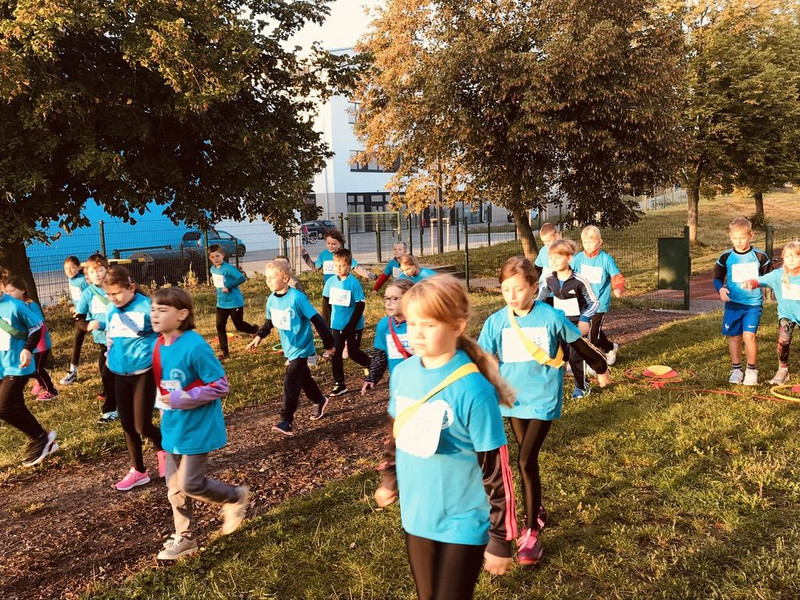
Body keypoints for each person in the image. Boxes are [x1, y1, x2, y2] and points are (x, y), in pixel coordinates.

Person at [374, 275, 516, 599]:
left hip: (463, 521)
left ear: (457, 326)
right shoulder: (403, 374)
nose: (417, 334)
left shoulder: (474, 390)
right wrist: (389, 478)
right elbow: (396, 431)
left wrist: (500, 538)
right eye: (412, 323)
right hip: (417, 516)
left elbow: (497, 470)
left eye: (429, 324)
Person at [478, 256, 610, 565]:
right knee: (528, 462)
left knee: (525, 460)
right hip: (512, 401)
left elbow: (579, 345)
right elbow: (482, 358)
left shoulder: (550, 316)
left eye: (518, 289)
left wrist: (601, 367)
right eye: (506, 289)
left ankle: (530, 533)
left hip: (543, 399)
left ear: (534, 287)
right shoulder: (496, 321)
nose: (512, 295)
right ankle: (536, 508)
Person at [150, 287, 250, 560]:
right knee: (174, 488)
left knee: (191, 484)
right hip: (173, 425)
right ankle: (186, 538)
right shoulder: (158, 344)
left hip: (197, 427)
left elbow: (220, 385)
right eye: (153, 309)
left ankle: (234, 496)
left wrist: (181, 398)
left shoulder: (195, 346)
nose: (155, 314)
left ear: (182, 314)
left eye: (162, 310)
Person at [245, 261, 335, 436]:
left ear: (285, 278)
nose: (268, 281)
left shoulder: (297, 298)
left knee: (291, 379)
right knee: (304, 378)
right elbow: (269, 322)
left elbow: (317, 320)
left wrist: (329, 344)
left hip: (302, 347)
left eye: (272, 277)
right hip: (289, 348)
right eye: (267, 278)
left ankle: (286, 421)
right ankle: (319, 400)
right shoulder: (271, 300)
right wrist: (259, 336)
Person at [104, 266, 164, 491]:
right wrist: (109, 356)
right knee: (127, 424)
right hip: (120, 373)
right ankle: (138, 470)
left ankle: (165, 451)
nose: (113, 298)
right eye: (109, 294)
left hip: (144, 372)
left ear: (131, 287)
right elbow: (110, 337)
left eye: (116, 293)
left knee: (142, 425)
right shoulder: (111, 310)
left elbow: (165, 333)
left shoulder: (147, 307)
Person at [0, 278, 58, 467]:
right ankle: (43, 442)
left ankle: (41, 437)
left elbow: (37, 326)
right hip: (2, 365)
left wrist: (27, 348)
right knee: (15, 405)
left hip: (19, 365)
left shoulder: (15, 306)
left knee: (4, 407)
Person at [537, 240, 601, 398]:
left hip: (576, 326)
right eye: (551, 258)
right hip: (557, 325)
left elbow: (594, 302)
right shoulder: (549, 280)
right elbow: (540, 300)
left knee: (575, 357)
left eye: (558, 257)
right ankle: (551, 386)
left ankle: (582, 386)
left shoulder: (580, 280)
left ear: (570, 258)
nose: (553, 261)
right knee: (556, 355)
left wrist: (584, 318)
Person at [714, 217, 771, 385]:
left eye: (742, 237)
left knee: (749, 336)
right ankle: (736, 369)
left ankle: (752, 370)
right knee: (735, 337)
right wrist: (720, 289)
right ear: (730, 236)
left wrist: (757, 282)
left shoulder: (760, 256)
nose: (739, 241)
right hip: (733, 305)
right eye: (735, 238)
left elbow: (769, 278)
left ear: (751, 235)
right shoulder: (725, 257)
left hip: (753, 305)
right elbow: (717, 278)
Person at [743, 241, 799, 384]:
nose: (791, 260)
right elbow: (760, 280)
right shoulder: (778, 275)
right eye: (788, 256)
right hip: (787, 315)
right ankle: (783, 370)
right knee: (783, 340)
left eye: (796, 256)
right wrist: (751, 283)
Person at [570, 226, 625, 366]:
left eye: (591, 242)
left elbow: (616, 276)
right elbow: (569, 274)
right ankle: (610, 347)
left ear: (600, 242)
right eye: (585, 242)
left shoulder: (605, 259)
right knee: (587, 330)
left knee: (593, 334)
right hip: (583, 303)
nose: (588, 245)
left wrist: (618, 288)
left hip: (599, 303)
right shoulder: (578, 259)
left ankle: (593, 363)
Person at [74, 254, 118, 424]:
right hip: (104, 344)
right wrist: (87, 326)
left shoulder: (115, 287)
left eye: (100, 270)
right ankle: (111, 410)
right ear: (88, 275)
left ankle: (118, 406)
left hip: (122, 341)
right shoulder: (88, 293)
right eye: (93, 272)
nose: (97, 274)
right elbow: (79, 318)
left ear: (107, 270)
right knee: (107, 377)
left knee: (123, 376)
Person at [323, 249, 372, 397]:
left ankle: (369, 364)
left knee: (353, 352)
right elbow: (326, 304)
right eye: (336, 265)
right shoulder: (330, 282)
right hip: (336, 325)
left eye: (342, 265)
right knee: (336, 352)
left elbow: (360, 305)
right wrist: (326, 325)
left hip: (353, 326)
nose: (339, 268)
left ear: (349, 266)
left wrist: (351, 325)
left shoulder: (354, 283)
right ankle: (339, 383)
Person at [300, 228, 376, 325]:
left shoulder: (343, 255)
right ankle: (329, 331)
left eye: (334, 244)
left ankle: (345, 329)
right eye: (328, 243)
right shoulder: (324, 255)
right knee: (328, 314)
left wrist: (372, 276)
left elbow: (356, 267)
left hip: (343, 288)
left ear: (339, 243)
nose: (331, 246)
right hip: (329, 289)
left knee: (342, 312)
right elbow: (315, 267)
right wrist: (305, 256)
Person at [4, 277, 58, 401]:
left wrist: (39, 344)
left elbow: (39, 325)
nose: (8, 294)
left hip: (40, 345)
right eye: (6, 292)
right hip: (29, 346)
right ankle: (41, 382)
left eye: (12, 291)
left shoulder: (31, 305)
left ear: (22, 290)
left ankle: (51, 391)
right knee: (33, 369)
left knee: (37, 370)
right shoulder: (14, 305)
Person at [362, 278, 415, 395]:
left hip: (423, 382)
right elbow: (380, 354)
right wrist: (372, 377)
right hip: (398, 385)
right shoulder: (384, 324)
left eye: (394, 298)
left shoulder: (420, 322)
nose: (389, 303)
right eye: (386, 298)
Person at [209, 245, 258, 360]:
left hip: (234, 303)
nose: (215, 259)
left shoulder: (228, 268)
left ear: (223, 255)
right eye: (212, 257)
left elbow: (242, 278)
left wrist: (228, 286)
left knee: (238, 325)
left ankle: (255, 330)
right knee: (220, 326)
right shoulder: (212, 269)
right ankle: (225, 353)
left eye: (217, 256)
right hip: (221, 303)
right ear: (209, 258)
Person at [60, 256, 88, 386]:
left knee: (103, 343)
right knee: (77, 340)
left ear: (79, 267)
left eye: (72, 267)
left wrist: (80, 309)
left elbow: (88, 297)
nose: (69, 271)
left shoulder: (82, 280)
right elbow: (77, 297)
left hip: (88, 315)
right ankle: (73, 371)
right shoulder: (71, 280)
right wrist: (74, 306)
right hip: (79, 315)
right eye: (66, 268)